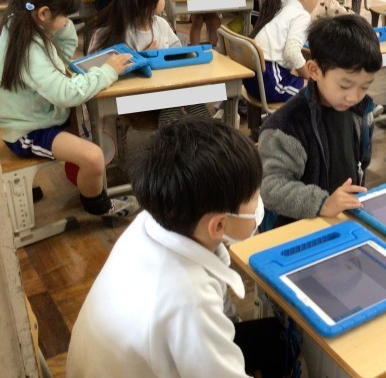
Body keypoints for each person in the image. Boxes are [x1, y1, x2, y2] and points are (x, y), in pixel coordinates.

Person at [67, 117, 287, 377]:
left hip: (114, 362)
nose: (259, 203)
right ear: (218, 225)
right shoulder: (189, 298)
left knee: (275, 337)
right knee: (280, 342)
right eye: (255, 196)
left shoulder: (154, 219)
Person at [0, 0, 138, 220]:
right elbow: (65, 94)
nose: (67, 21)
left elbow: (60, 59)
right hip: (25, 131)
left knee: (83, 120)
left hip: (39, 114)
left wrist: (61, 26)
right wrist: (108, 71)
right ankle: (98, 206)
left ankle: (80, 172)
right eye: (64, 15)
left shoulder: (23, 23)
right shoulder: (29, 47)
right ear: (43, 13)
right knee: (93, 157)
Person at [258, 15, 382, 228]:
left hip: (340, 221)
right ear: (314, 71)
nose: (354, 97)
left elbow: (362, 163)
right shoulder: (285, 126)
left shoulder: (362, 113)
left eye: (364, 87)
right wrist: (322, 203)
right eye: (344, 86)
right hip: (294, 229)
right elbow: (270, 187)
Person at [90, 0, 212, 127]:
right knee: (178, 101)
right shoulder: (114, 32)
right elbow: (99, 73)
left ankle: (207, 132)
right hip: (134, 99)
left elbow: (177, 49)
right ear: (145, 2)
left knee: (195, 96)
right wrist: (141, 59)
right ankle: (175, 133)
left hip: (165, 89)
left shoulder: (160, 24)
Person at [244, 0, 319, 103]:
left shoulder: (280, 5)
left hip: (253, 79)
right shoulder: (302, 15)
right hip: (270, 81)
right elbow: (292, 52)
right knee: (319, 90)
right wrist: (310, 77)